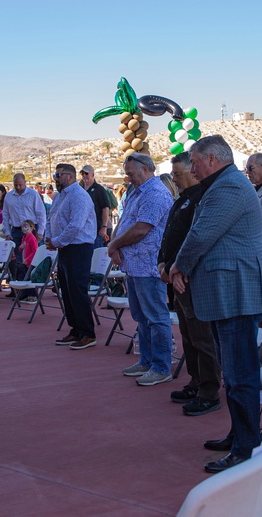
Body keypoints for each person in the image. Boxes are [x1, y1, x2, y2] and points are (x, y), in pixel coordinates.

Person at [169, 136, 262, 473]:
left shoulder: (227, 186)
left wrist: (178, 265)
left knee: (239, 373)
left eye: (196, 162)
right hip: (228, 293)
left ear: (213, 159)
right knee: (233, 372)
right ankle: (241, 435)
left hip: (236, 294)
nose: (193, 169)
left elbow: (202, 234)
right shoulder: (224, 183)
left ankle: (246, 447)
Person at [157, 152, 222, 416]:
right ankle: (196, 381)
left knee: (202, 336)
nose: (174, 178)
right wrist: (163, 264)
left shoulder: (201, 200)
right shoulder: (181, 199)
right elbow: (170, 236)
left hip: (191, 279)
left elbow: (197, 240)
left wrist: (177, 268)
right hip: (176, 276)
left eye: (178, 174)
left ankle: (209, 390)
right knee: (187, 334)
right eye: (172, 174)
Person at [108, 153, 175, 384]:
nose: (128, 178)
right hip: (134, 265)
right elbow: (125, 221)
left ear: (146, 169)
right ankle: (147, 360)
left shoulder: (155, 193)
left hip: (148, 265)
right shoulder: (137, 192)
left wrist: (114, 244)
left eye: (131, 173)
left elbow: (141, 229)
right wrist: (114, 244)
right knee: (141, 316)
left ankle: (161, 366)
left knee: (156, 317)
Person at [45, 163, 97, 349]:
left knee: (77, 290)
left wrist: (56, 241)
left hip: (79, 247)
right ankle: (75, 329)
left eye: (57, 175)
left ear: (69, 176)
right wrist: (49, 238)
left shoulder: (79, 196)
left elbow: (76, 225)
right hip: (65, 247)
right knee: (66, 290)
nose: (55, 179)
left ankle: (88, 333)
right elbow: (51, 218)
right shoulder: (60, 197)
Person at [3, 173, 47, 281]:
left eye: (20, 185)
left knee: (32, 259)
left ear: (25, 183)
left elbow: (41, 213)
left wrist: (40, 231)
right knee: (19, 261)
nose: (18, 187)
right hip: (17, 230)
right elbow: (5, 215)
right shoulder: (8, 196)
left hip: (32, 230)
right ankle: (21, 289)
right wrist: (7, 232)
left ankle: (31, 292)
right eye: (16, 185)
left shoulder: (33, 194)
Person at [80, 164, 112, 247]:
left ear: (92, 175)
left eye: (86, 174)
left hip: (96, 230)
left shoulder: (99, 189)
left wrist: (104, 227)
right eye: (82, 173)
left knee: (96, 256)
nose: (84, 176)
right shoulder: (80, 190)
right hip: (82, 231)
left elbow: (105, 208)